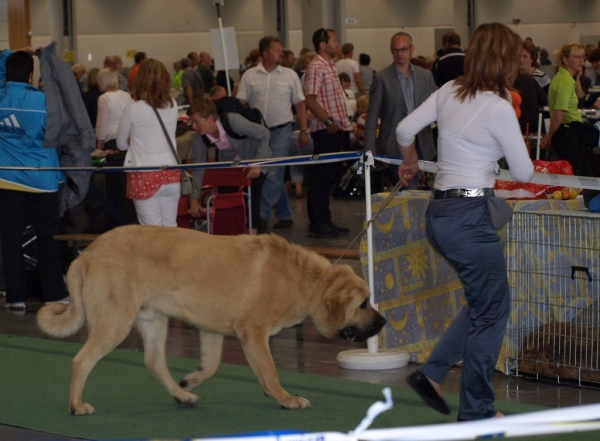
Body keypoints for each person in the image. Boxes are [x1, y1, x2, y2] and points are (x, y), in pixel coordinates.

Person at [396, 22, 534, 422]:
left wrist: (409, 161)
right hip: (470, 218)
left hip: (439, 213)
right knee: (493, 312)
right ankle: (476, 411)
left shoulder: (449, 90)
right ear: (505, 60)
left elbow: (405, 129)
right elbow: (523, 172)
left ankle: (433, 373)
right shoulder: (498, 105)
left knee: (484, 303)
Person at [0, 48, 69, 311]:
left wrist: (8, 53)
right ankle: (54, 294)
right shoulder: (43, 102)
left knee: (10, 239)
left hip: (5, 180)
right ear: (31, 76)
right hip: (42, 180)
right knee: (48, 238)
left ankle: (15, 297)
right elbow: (57, 133)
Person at [236, 36, 309, 231]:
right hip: (258, 134)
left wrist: (304, 130)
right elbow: (241, 103)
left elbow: (300, 104)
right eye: (276, 50)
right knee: (272, 174)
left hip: (282, 130)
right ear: (265, 53)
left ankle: (261, 218)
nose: (281, 53)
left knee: (272, 173)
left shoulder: (290, 75)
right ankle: (285, 214)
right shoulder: (250, 76)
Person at [186, 98, 271, 234]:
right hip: (231, 164)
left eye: (196, 122)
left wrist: (256, 163)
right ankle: (232, 235)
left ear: (209, 118)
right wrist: (194, 199)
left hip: (256, 156)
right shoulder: (199, 138)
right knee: (226, 202)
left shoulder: (233, 121)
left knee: (252, 198)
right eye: (192, 122)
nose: (194, 127)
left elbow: (264, 134)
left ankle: (253, 236)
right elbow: (198, 168)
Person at [364, 31, 437, 187]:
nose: (400, 54)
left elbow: (437, 108)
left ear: (412, 49)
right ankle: (409, 210)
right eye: (396, 50)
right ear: (391, 51)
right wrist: (370, 147)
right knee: (409, 184)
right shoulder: (381, 78)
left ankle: (409, 209)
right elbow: (372, 115)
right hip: (394, 143)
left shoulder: (425, 76)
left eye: (403, 49)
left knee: (413, 185)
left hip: (421, 140)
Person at [302, 28, 353, 238]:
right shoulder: (316, 68)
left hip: (336, 129)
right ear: (323, 44)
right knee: (321, 177)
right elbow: (310, 100)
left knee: (328, 176)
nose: (337, 43)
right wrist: (329, 121)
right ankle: (317, 222)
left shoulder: (329, 66)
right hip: (325, 131)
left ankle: (325, 219)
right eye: (334, 40)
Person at [116, 59, 180, 226]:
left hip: (144, 174)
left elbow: (120, 144)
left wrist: (134, 140)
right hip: (172, 172)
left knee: (151, 234)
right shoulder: (172, 104)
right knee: (170, 229)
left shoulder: (133, 108)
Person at [540, 43, 596, 177]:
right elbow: (559, 115)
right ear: (566, 60)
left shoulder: (561, 78)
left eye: (583, 57)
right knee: (581, 176)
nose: (581, 61)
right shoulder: (565, 82)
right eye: (577, 57)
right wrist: (550, 137)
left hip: (566, 132)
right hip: (568, 133)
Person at [95, 68, 133, 150]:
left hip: (112, 139)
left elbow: (101, 124)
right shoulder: (126, 95)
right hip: (128, 138)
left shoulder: (104, 98)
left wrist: (99, 145)